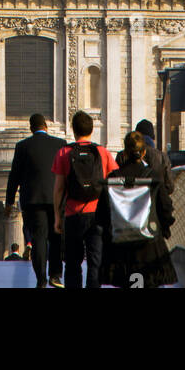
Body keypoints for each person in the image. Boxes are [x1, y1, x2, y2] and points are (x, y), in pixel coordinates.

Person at [52, 110, 117, 290]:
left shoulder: (64, 153)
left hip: (73, 214)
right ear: (92, 129)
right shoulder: (102, 153)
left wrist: (57, 216)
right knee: (95, 261)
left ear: (73, 130)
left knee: (73, 263)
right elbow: (114, 183)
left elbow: (58, 189)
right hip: (98, 214)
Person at [103, 131, 177, 289]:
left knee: (127, 283)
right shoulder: (154, 177)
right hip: (148, 244)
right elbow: (166, 208)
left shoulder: (112, 179)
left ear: (125, 152)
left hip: (120, 247)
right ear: (144, 152)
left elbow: (102, 214)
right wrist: (164, 229)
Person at [6, 112, 67, 289]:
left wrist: (9, 201)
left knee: (39, 238)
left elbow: (14, 176)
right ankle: (55, 275)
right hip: (55, 198)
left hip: (32, 200)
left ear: (31, 128)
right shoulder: (60, 144)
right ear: (46, 126)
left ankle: (41, 278)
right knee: (56, 237)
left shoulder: (23, 146)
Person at [123, 118, 175, 195]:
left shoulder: (123, 155)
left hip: (130, 202)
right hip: (154, 203)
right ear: (152, 137)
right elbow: (169, 186)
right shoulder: (162, 157)